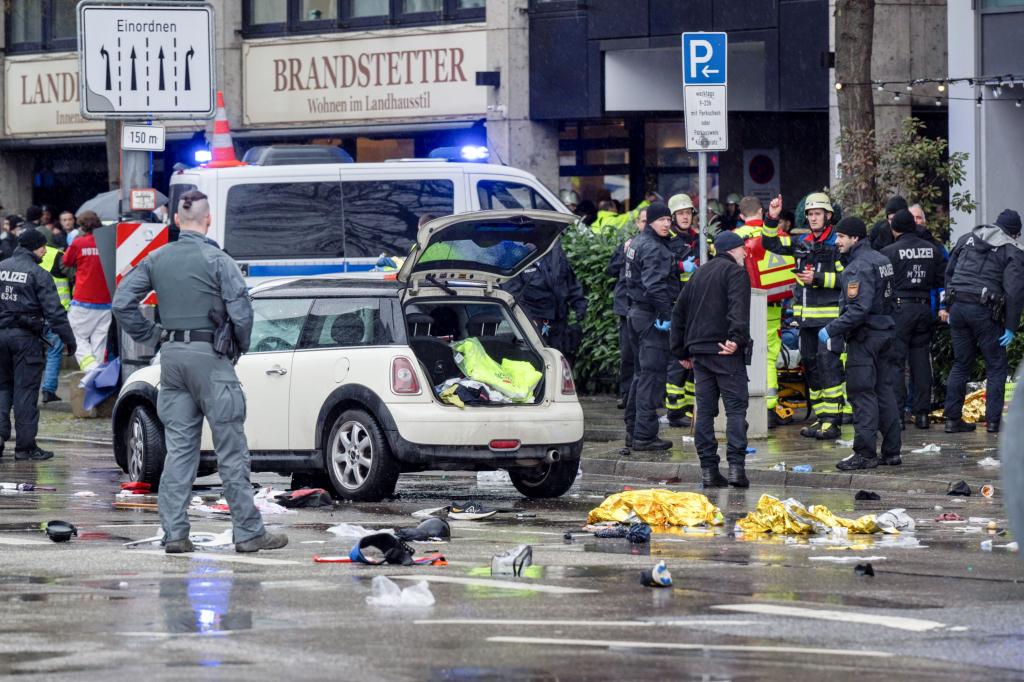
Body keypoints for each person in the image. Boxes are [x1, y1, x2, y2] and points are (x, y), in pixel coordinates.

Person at [113, 190, 287, 554]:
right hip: (211, 358)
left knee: (178, 451)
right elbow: (242, 312)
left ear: (176, 220)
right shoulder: (218, 260)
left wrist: (153, 336)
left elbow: (122, 302)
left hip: (172, 359)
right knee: (231, 450)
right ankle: (249, 533)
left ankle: (175, 534)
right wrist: (237, 347)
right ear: (208, 220)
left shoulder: (157, 258)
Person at [670, 230, 752, 487]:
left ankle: (708, 470)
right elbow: (739, 307)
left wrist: (681, 351)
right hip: (725, 351)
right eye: (742, 249)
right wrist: (736, 339)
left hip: (700, 354)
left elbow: (678, 313)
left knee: (704, 411)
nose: (745, 253)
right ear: (732, 250)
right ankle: (737, 469)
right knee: (736, 409)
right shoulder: (736, 273)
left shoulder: (698, 274)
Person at [762, 193, 847, 439]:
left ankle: (833, 421)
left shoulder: (837, 245)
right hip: (806, 321)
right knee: (810, 367)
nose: (813, 218)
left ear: (828, 216)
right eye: (810, 214)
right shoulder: (802, 242)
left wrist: (819, 279)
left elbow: (849, 280)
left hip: (830, 321)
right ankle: (821, 418)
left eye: (818, 213)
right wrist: (772, 218)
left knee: (829, 368)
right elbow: (771, 244)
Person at [820, 217, 900, 470]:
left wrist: (831, 329)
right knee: (884, 392)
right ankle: (891, 452)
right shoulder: (882, 260)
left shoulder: (857, 267)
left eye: (841, 236)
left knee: (862, 394)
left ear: (855, 238)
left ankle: (865, 454)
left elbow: (859, 309)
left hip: (865, 338)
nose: (837, 241)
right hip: (885, 332)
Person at [943, 209, 1024, 434]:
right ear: (1014, 233)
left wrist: (947, 306)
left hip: (958, 307)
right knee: (996, 366)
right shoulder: (1012, 249)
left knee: (961, 364)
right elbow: (1015, 291)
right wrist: (1010, 326)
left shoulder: (965, 238)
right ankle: (994, 422)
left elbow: (949, 273)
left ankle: (951, 419)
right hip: (985, 311)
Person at [0, 229, 76, 460]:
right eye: (42, 246)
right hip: (26, 340)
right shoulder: (38, 274)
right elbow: (55, 313)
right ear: (33, 247)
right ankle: (25, 448)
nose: (45, 251)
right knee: (25, 392)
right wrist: (69, 340)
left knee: (1, 389)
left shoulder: (1, 267)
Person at [880, 209, 946, 429]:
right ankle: (923, 414)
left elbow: (883, 286)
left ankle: (898, 416)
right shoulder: (932, 250)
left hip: (900, 310)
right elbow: (941, 281)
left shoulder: (888, 252)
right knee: (920, 362)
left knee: (897, 363)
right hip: (924, 308)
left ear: (894, 228)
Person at [736, 196, 797, 428]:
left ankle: (749, 405)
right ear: (761, 212)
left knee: (747, 353)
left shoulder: (737, 236)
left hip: (747, 304)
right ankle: (770, 407)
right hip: (775, 303)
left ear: (741, 215)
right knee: (770, 353)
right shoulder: (778, 234)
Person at [623, 202, 679, 451]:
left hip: (635, 314)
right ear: (651, 222)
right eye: (662, 220)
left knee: (639, 375)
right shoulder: (655, 248)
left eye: (669, 219)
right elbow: (655, 286)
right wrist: (667, 314)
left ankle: (632, 431)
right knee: (652, 378)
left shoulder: (636, 243)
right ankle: (644, 435)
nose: (667, 224)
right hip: (651, 318)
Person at [503, 242, 587, 361]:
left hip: (560, 321)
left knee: (560, 361)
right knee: (538, 362)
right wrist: (527, 320)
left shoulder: (555, 250)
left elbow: (569, 279)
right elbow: (513, 295)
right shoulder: (514, 254)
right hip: (535, 323)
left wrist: (579, 305)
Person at [63, 211, 112, 386]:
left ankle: (91, 368)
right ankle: (96, 380)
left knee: (75, 336)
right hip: (106, 301)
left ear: (82, 225)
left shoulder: (78, 243)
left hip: (83, 299)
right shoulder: (108, 243)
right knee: (99, 341)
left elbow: (66, 262)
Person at [663, 194, 698, 427]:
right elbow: (658, 266)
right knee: (678, 359)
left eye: (688, 213)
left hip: (697, 306)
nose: (685, 217)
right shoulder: (667, 240)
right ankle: (675, 410)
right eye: (681, 213)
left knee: (694, 358)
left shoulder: (698, 239)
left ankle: (691, 407)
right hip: (677, 305)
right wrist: (679, 266)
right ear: (673, 216)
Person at [608, 207, 646, 409]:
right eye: (642, 221)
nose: (645, 224)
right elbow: (610, 269)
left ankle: (645, 397)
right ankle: (626, 395)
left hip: (646, 309)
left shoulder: (657, 246)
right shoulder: (628, 244)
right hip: (626, 308)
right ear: (637, 224)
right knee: (628, 356)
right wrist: (624, 253)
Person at [38, 240, 71, 403]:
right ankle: (48, 390)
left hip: (32, 312)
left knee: (29, 353)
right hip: (55, 311)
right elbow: (72, 277)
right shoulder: (59, 255)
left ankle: (25, 391)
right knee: (54, 350)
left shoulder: (24, 256)